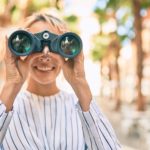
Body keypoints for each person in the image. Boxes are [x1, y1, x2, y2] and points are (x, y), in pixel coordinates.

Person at [0, 12, 121, 150]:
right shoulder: (7, 105)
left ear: (66, 52)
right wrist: (11, 84)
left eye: (55, 45)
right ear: (21, 50)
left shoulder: (82, 106)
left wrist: (80, 83)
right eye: (35, 44)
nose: (45, 54)